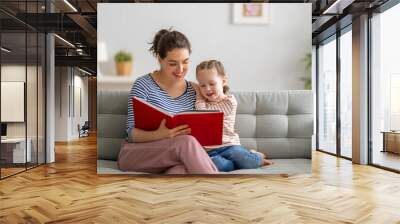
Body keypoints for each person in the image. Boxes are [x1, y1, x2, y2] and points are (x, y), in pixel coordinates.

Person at [117, 29, 218, 174]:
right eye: (173, 63)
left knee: (180, 171)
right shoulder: (143, 85)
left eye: (185, 62)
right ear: (160, 59)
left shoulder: (194, 90)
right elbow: (130, 134)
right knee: (186, 143)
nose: (180, 69)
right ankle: (218, 190)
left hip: (174, 156)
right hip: (135, 154)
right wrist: (161, 135)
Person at [195, 60, 274, 172]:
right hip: (210, 151)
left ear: (223, 82)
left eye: (212, 84)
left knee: (242, 158)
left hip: (230, 146)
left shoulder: (229, 102)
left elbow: (205, 114)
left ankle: (256, 158)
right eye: (202, 85)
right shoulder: (203, 103)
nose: (207, 89)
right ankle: (236, 164)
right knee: (218, 165)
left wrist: (198, 93)